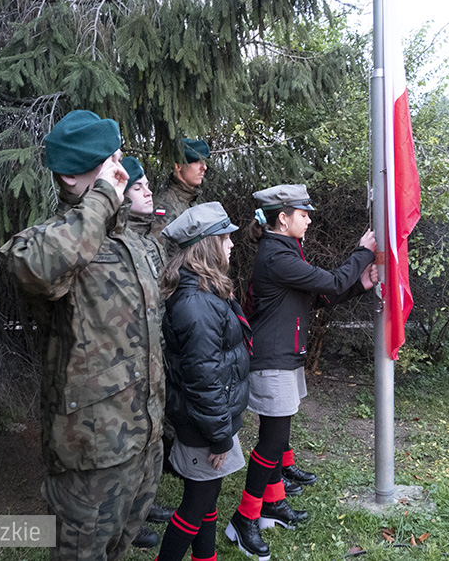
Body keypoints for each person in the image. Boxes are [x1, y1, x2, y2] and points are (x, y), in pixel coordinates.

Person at [0, 110, 165, 561]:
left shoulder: (127, 241)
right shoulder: (50, 242)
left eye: (120, 157)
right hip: (91, 454)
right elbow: (35, 265)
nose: (121, 170)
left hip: (143, 442)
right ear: (70, 175)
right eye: (108, 162)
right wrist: (103, 198)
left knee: (119, 548)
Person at [226, 184, 377, 560]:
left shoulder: (286, 250)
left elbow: (326, 294)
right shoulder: (277, 256)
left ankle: (273, 503)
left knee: (278, 436)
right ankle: (243, 520)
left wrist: (363, 283)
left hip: (285, 357)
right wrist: (363, 252)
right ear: (283, 217)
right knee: (272, 442)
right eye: (303, 213)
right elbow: (331, 281)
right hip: (272, 360)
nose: (309, 219)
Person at [154, 202, 252, 561]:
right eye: (225, 238)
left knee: (208, 499)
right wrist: (219, 435)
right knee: (194, 507)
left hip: (211, 422)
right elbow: (203, 379)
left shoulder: (208, 292)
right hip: (203, 426)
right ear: (208, 245)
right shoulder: (196, 304)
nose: (231, 245)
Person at [120, 156, 175, 549]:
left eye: (146, 186)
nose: (148, 191)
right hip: (127, 366)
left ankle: (143, 505)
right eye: (138, 188)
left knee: (150, 441)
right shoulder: (116, 241)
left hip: (154, 359)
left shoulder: (149, 240)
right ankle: (126, 519)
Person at [150, 138, 209, 256]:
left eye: (204, 162)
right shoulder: (164, 206)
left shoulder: (191, 202)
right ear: (178, 166)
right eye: (196, 162)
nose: (204, 168)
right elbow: (157, 258)